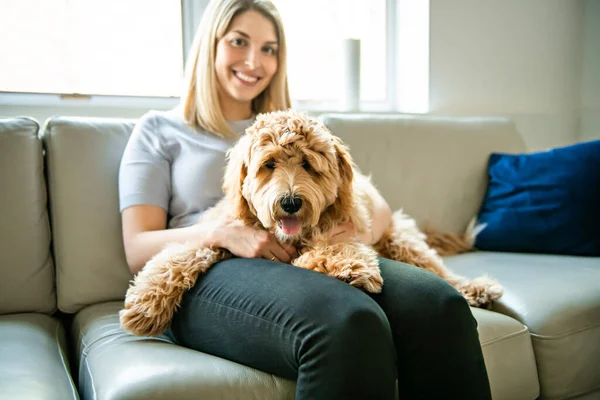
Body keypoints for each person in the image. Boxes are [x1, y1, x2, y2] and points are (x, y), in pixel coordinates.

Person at [118, 0, 492, 399]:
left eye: (269, 49)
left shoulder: (299, 125)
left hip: (306, 250)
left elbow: (368, 199)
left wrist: (357, 233)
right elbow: (137, 247)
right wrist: (220, 233)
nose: (253, 61)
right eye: (239, 42)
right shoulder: (158, 130)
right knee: (349, 320)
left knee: (438, 304)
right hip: (210, 272)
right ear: (211, 44)